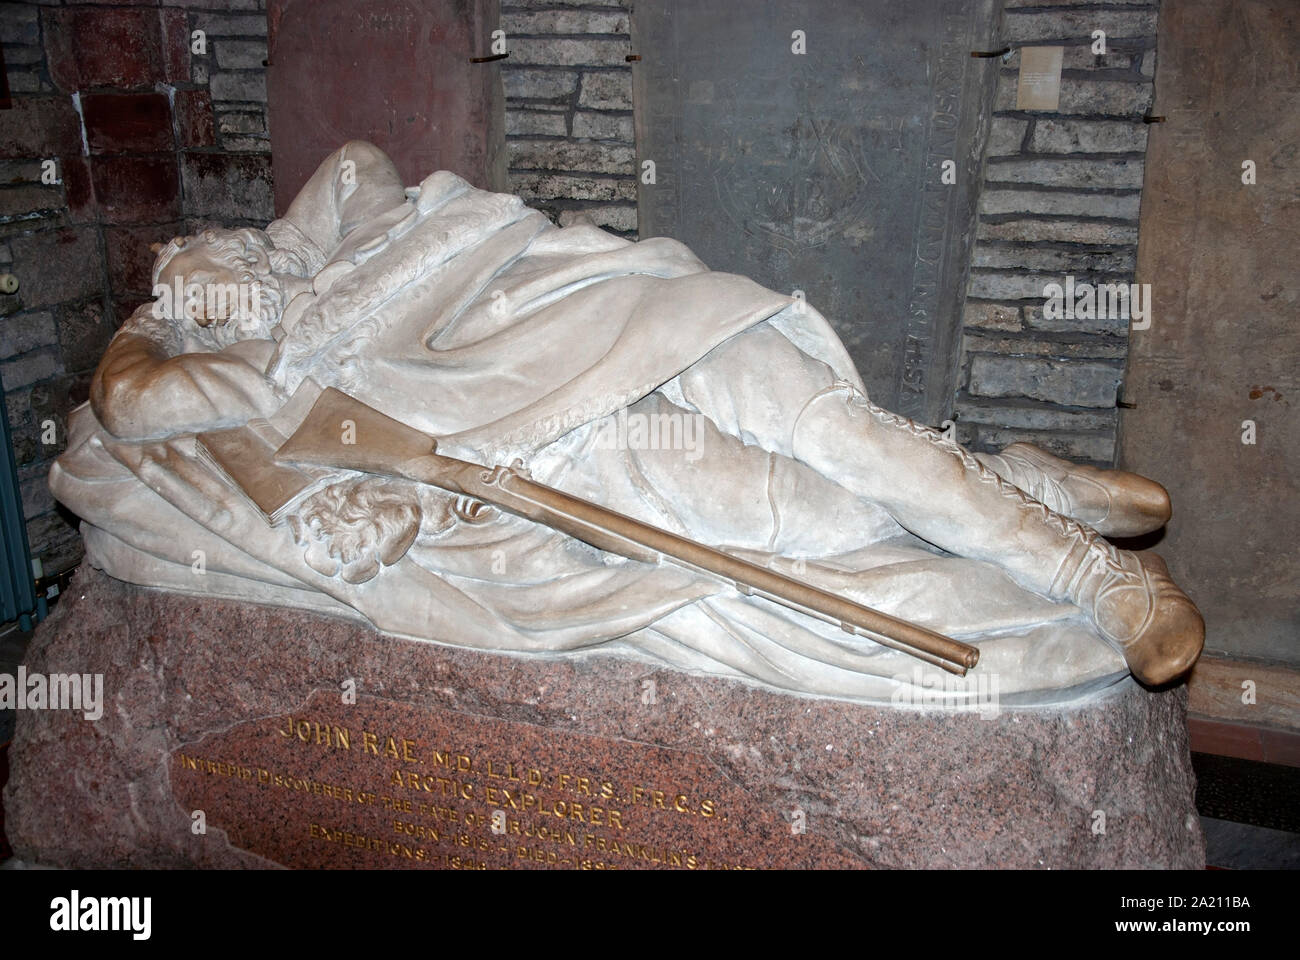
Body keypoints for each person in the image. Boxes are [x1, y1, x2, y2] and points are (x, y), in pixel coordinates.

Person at [55, 141, 1202, 700]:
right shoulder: (271, 377)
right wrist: (191, 330)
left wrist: (288, 264)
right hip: (571, 439)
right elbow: (137, 401)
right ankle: (1008, 483)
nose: (226, 280)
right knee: (812, 517)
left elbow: (356, 163)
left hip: (624, 310)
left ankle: (1103, 578)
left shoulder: (351, 240)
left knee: (832, 427)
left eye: (220, 257)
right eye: (196, 294)